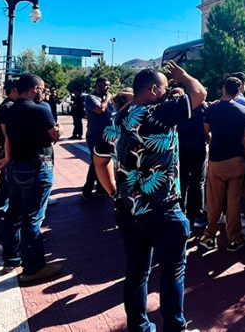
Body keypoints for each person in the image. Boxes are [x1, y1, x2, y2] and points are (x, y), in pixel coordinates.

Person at [93, 63, 206, 332]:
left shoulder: (117, 119)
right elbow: (199, 93)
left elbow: (99, 161)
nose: (167, 93)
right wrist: (183, 76)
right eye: (165, 88)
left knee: (136, 273)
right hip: (162, 208)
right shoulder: (159, 113)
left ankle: (139, 327)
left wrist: (114, 193)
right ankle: (175, 328)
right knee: (173, 272)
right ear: (154, 90)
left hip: (128, 210)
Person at [0, 74, 62, 284]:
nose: (44, 92)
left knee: (14, 213)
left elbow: (7, 138)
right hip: (36, 166)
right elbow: (54, 136)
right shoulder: (40, 109)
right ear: (35, 89)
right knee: (32, 217)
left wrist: (7, 159)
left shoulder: (9, 109)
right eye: (42, 89)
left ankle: (11, 258)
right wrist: (59, 130)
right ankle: (34, 267)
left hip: (15, 166)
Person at [200, 77, 245, 252]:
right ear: (238, 90)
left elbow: (206, 131)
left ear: (223, 88)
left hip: (216, 159)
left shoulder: (212, 109)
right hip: (236, 160)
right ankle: (234, 238)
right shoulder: (243, 110)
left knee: (214, 200)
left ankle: (210, 235)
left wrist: (213, 139)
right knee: (233, 201)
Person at [0, 79, 19, 251]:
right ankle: (1, 236)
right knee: (5, 194)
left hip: (7, 154)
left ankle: (7, 235)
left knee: (8, 193)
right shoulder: (8, 107)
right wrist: (7, 156)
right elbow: (7, 135)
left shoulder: (8, 106)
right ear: (13, 90)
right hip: (8, 155)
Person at [175, 87, 209, 229]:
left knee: (182, 181)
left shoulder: (179, 106)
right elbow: (207, 127)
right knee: (198, 181)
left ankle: (181, 211)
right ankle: (196, 213)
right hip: (198, 147)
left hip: (181, 147)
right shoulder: (202, 107)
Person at [82, 78, 114, 198]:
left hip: (107, 135)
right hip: (95, 135)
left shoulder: (106, 97)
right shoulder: (90, 98)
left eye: (109, 85)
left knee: (104, 160)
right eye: (106, 85)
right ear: (98, 85)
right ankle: (87, 189)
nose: (108, 87)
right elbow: (100, 109)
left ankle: (101, 188)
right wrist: (108, 98)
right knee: (97, 161)